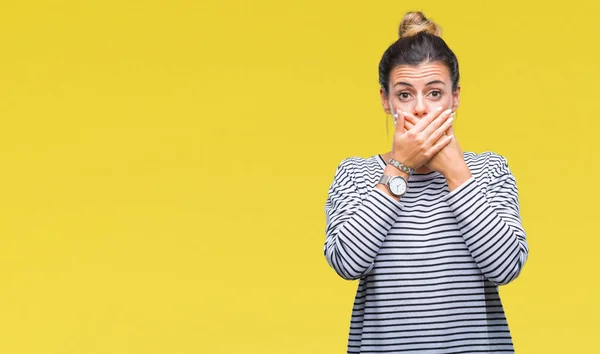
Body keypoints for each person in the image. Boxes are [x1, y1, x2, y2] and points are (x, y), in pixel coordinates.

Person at [323, 11, 529, 353]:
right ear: (386, 101)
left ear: (455, 97)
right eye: (405, 95)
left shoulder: (490, 170)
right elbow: (346, 262)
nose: (420, 108)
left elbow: (506, 267)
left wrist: (457, 174)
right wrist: (399, 167)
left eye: (434, 93)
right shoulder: (356, 175)